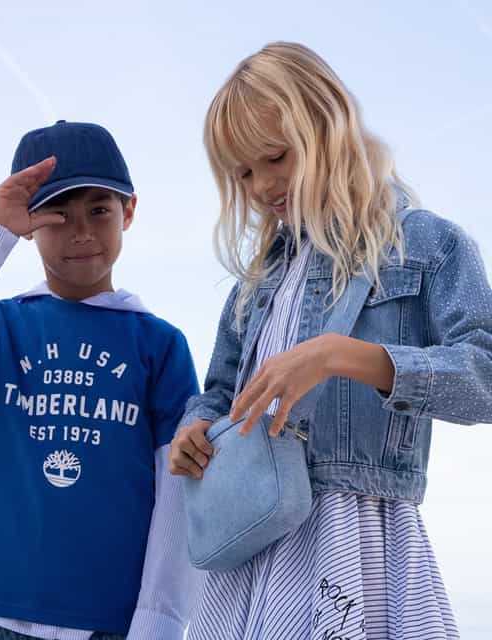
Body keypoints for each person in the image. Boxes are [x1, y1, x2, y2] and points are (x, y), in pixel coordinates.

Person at [169, 42, 492, 640]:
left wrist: (342, 356)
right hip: (252, 542)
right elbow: (217, 393)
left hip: (359, 538)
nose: (261, 186)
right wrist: (195, 429)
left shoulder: (428, 244)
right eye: (243, 173)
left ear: (329, 126)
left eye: (276, 157)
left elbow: (486, 377)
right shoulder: (256, 281)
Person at [0, 120, 199, 640]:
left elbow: (179, 494)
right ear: (30, 224)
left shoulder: (159, 344)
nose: (80, 232)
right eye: (57, 215)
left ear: (128, 211)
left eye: (98, 211)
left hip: (110, 623)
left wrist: (159, 624)